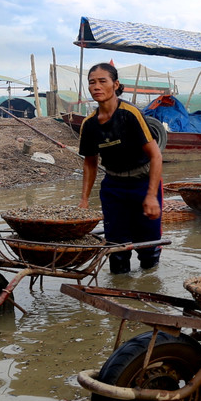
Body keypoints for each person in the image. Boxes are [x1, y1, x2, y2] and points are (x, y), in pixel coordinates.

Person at [77, 63, 163, 274]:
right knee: (116, 249)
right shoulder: (89, 124)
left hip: (142, 183)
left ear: (115, 85)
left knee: (148, 247)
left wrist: (151, 196)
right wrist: (84, 200)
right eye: (91, 82)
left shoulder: (130, 114)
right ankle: (119, 292)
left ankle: (150, 288)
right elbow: (90, 163)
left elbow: (156, 155)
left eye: (102, 81)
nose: (96, 86)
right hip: (113, 187)